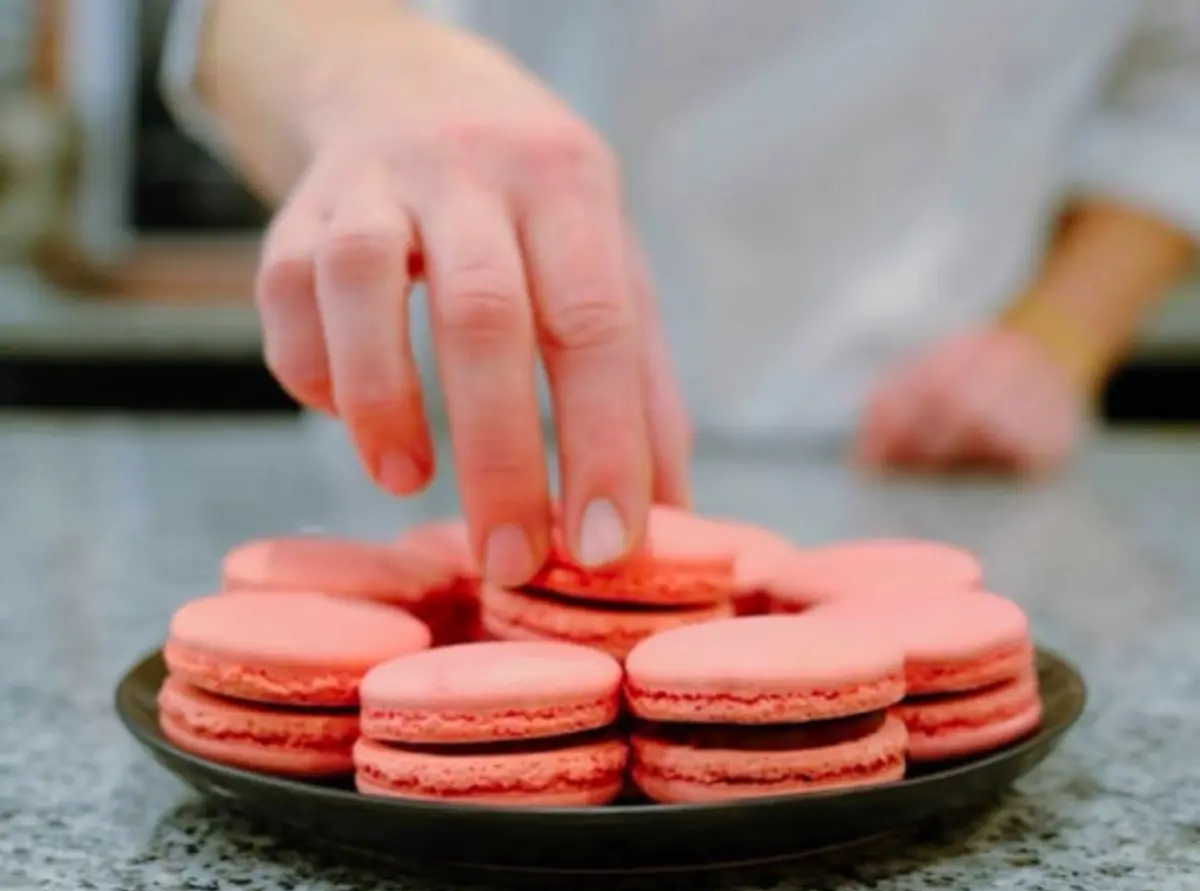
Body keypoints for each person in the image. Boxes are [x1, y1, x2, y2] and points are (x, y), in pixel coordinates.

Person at [162, 0, 1198, 585]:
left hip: (930, 461)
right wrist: (362, 67)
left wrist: (1062, 331)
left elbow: (1179, 79)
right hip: (458, 470)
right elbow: (238, 23)